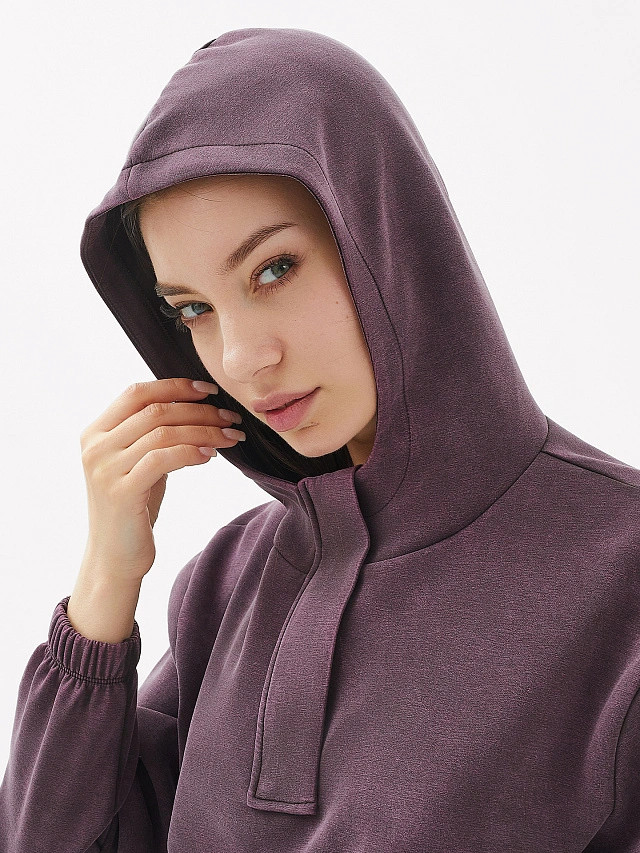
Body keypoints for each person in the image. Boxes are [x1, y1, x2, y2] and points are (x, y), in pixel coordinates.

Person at [1, 26, 639, 853]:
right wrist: (104, 584)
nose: (241, 356)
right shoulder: (226, 583)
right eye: (193, 309)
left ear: (387, 232)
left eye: (274, 269)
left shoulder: (618, 573)